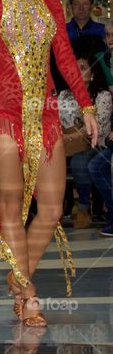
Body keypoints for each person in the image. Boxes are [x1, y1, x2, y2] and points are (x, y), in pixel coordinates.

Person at [0, 0, 98, 327]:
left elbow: (63, 58)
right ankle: (28, 295)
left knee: (53, 208)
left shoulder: (49, 2)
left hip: (44, 114)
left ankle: (18, 273)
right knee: (9, 203)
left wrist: (88, 108)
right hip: (3, 112)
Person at [58, 53, 111, 230]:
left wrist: (69, 136)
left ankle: (82, 208)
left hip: (96, 143)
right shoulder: (64, 95)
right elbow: (56, 121)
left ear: (93, 74)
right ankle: (54, 208)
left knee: (79, 161)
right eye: (74, 68)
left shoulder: (102, 96)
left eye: (81, 68)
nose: (76, 72)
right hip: (66, 143)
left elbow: (97, 126)